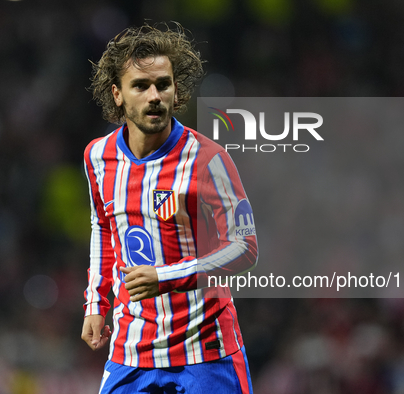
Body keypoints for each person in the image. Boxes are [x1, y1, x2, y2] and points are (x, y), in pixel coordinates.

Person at [81, 23, 258, 394]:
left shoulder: (209, 159)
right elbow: (103, 227)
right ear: (117, 94)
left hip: (206, 351)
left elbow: (245, 248)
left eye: (163, 84)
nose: (155, 96)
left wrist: (165, 276)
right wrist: (95, 303)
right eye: (141, 86)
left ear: (176, 91)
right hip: (132, 351)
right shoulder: (98, 157)